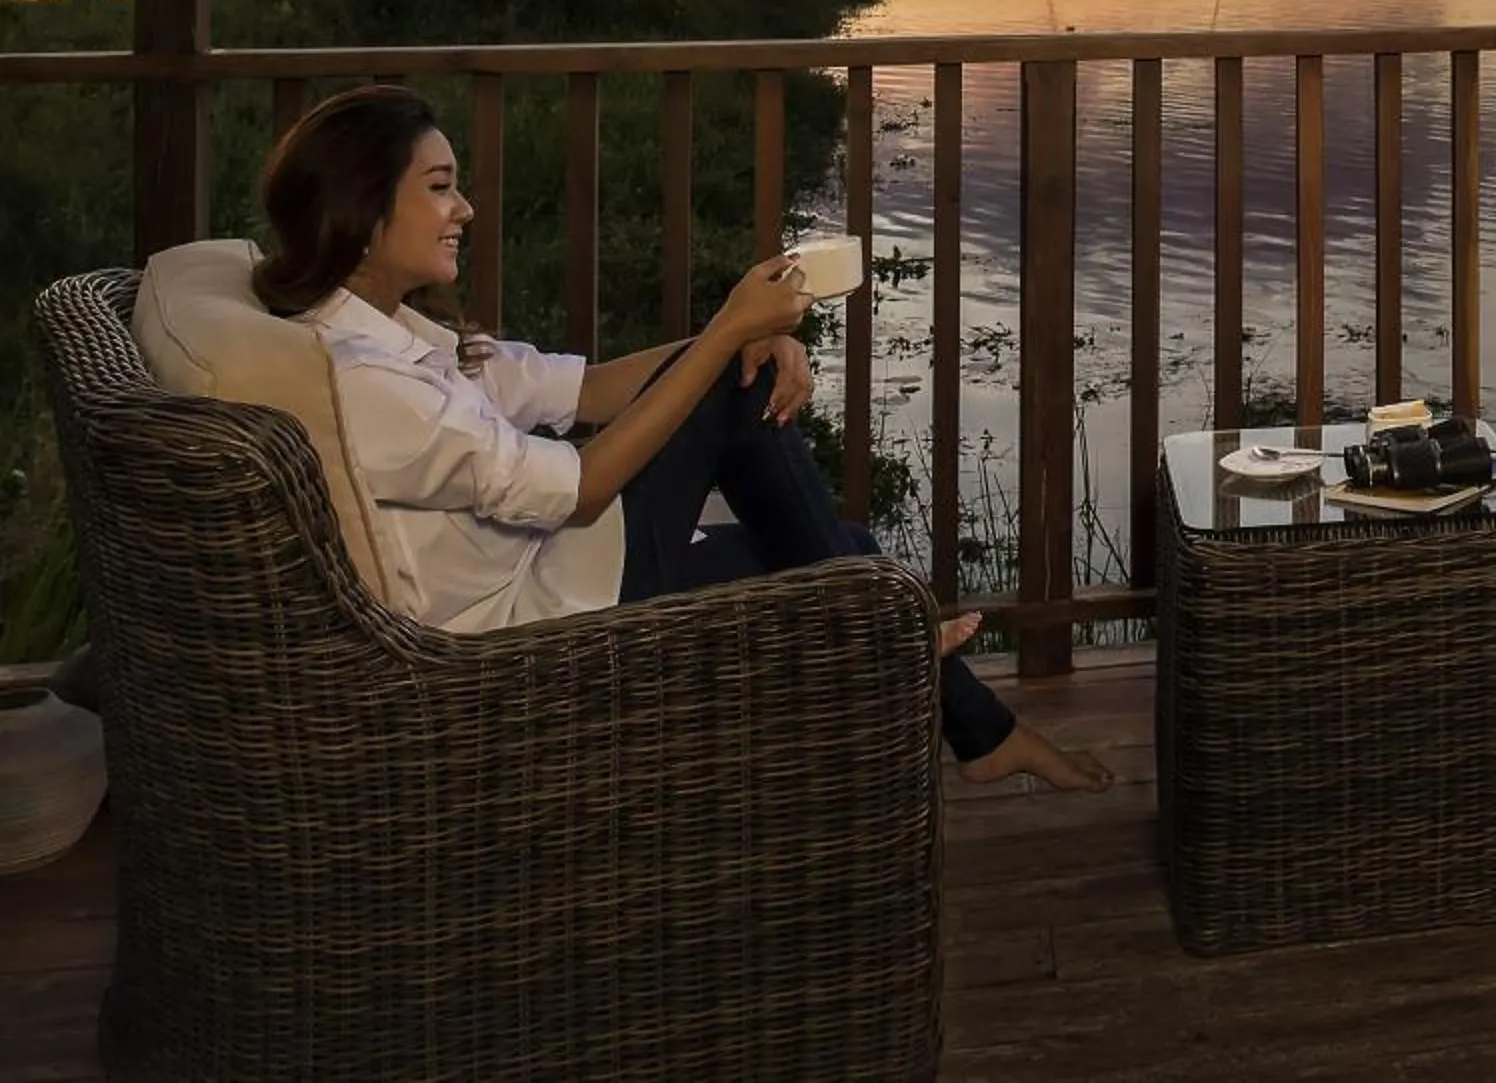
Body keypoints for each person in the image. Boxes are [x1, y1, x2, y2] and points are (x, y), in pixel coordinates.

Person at [249, 82, 1110, 793]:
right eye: (439, 187)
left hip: (548, 573)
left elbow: (584, 388)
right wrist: (727, 336)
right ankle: (908, 654)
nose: (466, 208)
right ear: (363, 211)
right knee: (734, 411)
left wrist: (729, 337)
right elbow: (582, 487)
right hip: (526, 640)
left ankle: (979, 729)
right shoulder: (364, 380)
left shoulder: (393, 335)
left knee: (843, 548)